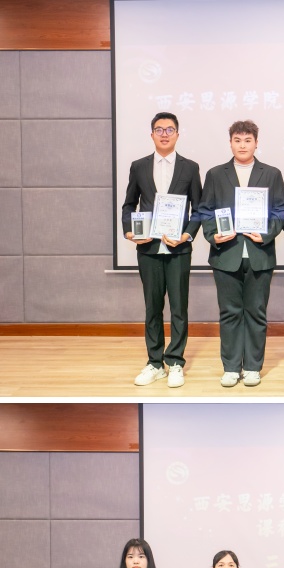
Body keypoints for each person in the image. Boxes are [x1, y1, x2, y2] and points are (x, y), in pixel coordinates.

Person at [199, 120, 284, 387]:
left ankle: (252, 367)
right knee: (229, 313)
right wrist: (213, 234)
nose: (242, 145)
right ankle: (230, 367)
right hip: (227, 253)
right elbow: (205, 210)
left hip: (260, 253)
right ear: (230, 143)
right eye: (237, 140)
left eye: (248, 140)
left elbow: (280, 210)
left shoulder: (271, 173)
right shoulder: (216, 174)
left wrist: (267, 233)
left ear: (256, 143)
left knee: (256, 312)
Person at [121, 110, 202, 388]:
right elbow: (129, 204)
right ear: (152, 134)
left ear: (177, 134)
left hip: (179, 249)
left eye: (169, 130)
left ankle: (176, 361)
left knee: (179, 308)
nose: (164, 134)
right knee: (152, 308)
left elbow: (199, 209)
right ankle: (155, 363)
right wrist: (129, 231)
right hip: (149, 249)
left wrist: (187, 235)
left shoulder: (190, 168)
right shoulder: (139, 166)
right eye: (159, 129)